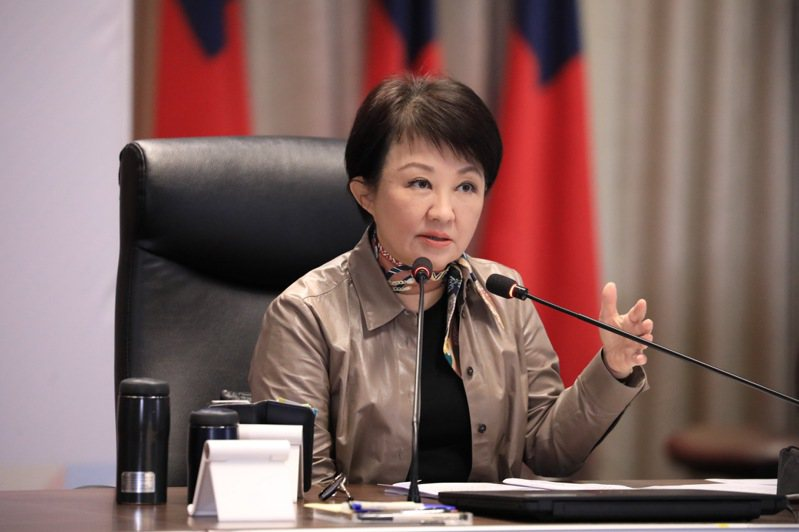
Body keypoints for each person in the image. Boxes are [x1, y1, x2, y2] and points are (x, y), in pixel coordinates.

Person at [249, 75, 653, 486]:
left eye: (466, 186)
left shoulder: (504, 295)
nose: (444, 212)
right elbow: (304, 488)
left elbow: (549, 450)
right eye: (420, 183)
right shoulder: (305, 315)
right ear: (365, 194)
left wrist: (613, 367)